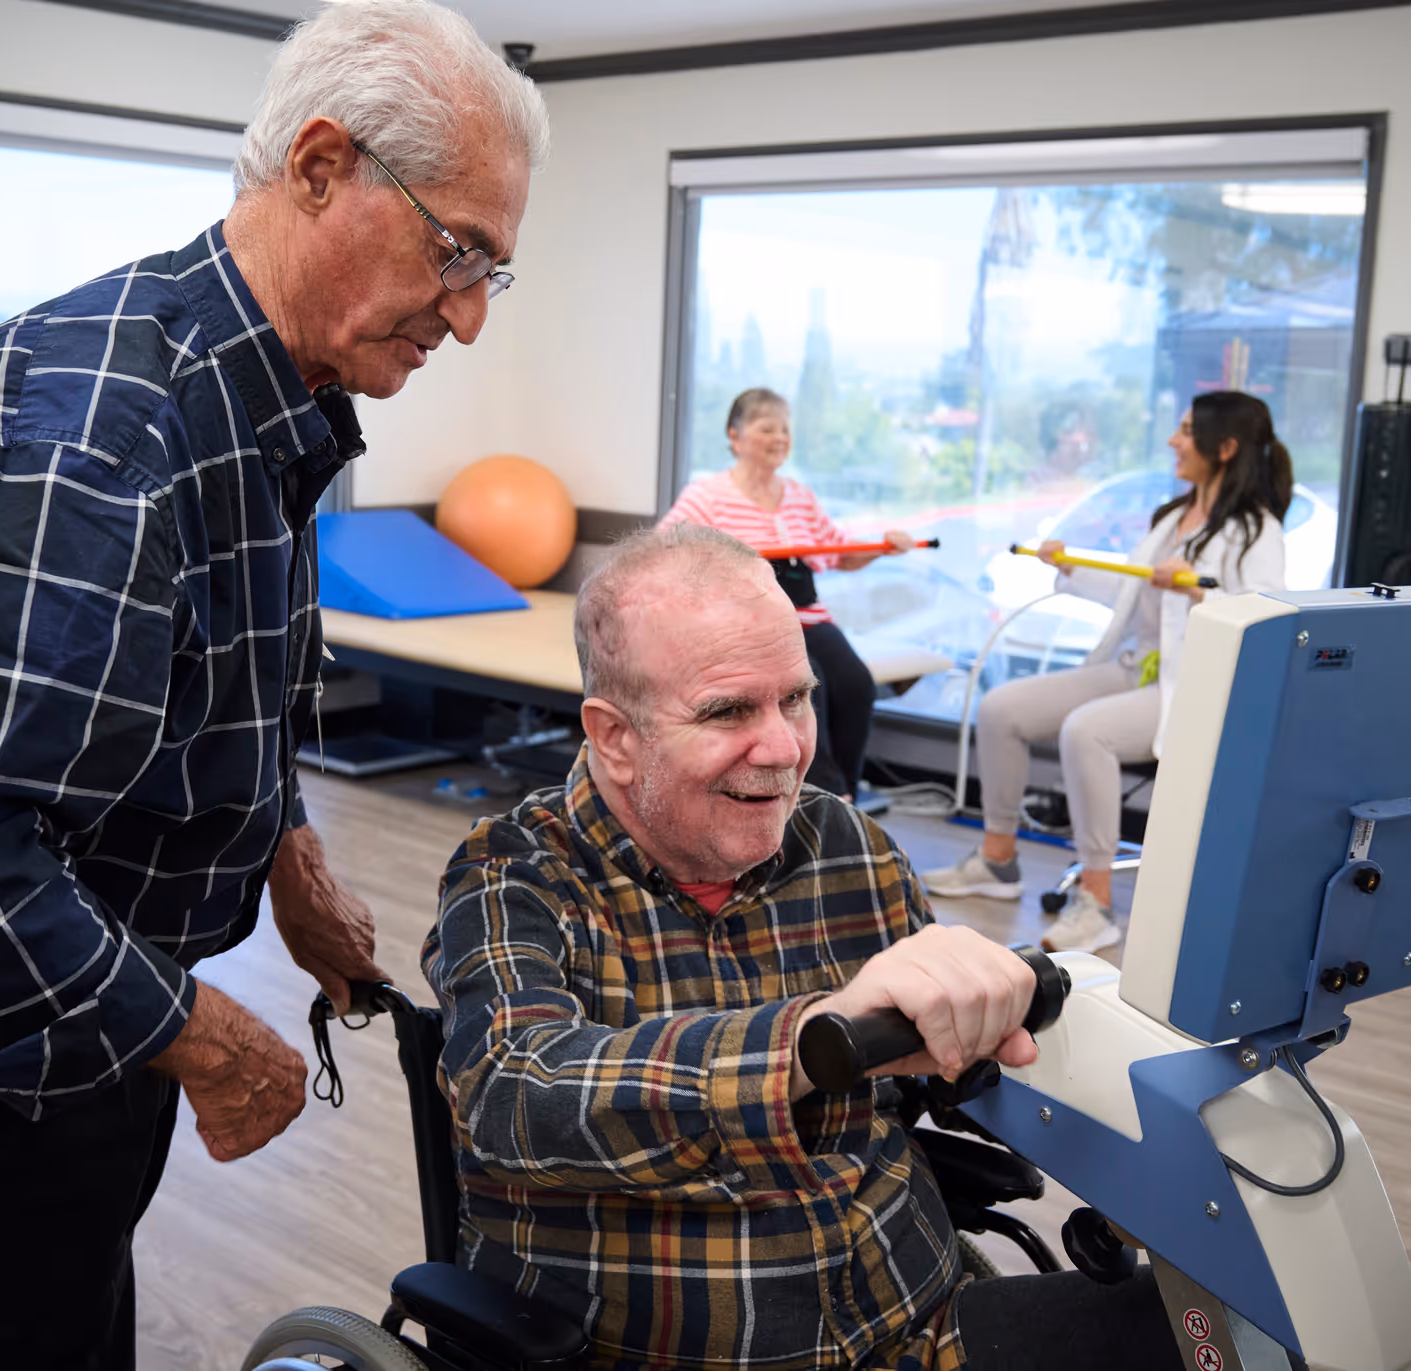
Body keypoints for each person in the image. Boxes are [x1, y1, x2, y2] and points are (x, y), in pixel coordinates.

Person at [0, 3, 547, 1364]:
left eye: (492, 275)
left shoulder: (261, 396)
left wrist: (283, 852)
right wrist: (199, 1032)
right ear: (322, 167)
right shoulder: (94, 451)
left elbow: (209, 674)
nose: (466, 316)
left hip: (50, 1024)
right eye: (454, 250)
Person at [422, 526, 1179, 1371]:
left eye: (794, 698)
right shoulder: (513, 873)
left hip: (922, 1327)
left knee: (1212, 1331)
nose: (785, 749)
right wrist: (811, 1041)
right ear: (616, 737)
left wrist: (1118, 1137)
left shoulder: (847, 844)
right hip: (687, 1351)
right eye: (727, 711)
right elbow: (516, 1096)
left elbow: (953, 1076)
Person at [926, 391, 1292, 955]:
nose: (1173, 440)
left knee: (1086, 730)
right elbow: (1131, 591)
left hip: (1193, 686)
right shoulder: (1171, 518)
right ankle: (997, 862)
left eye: (1187, 430)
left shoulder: (1255, 531)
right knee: (1001, 709)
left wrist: (1196, 590)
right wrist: (1070, 566)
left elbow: (1265, 619)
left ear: (1224, 447)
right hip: (1137, 668)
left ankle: (1095, 903)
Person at [657, 387, 914, 803]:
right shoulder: (707, 497)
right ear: (735, 436)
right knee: (808, 686)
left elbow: (839, 552)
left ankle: (844, 794)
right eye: (766, 428)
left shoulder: (799, 497)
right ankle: (816, 796)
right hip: (750, 625)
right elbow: (662, 551)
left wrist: (883, 547)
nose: (779, 437)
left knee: (856, 684)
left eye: (785, 429)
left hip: (807, 617)